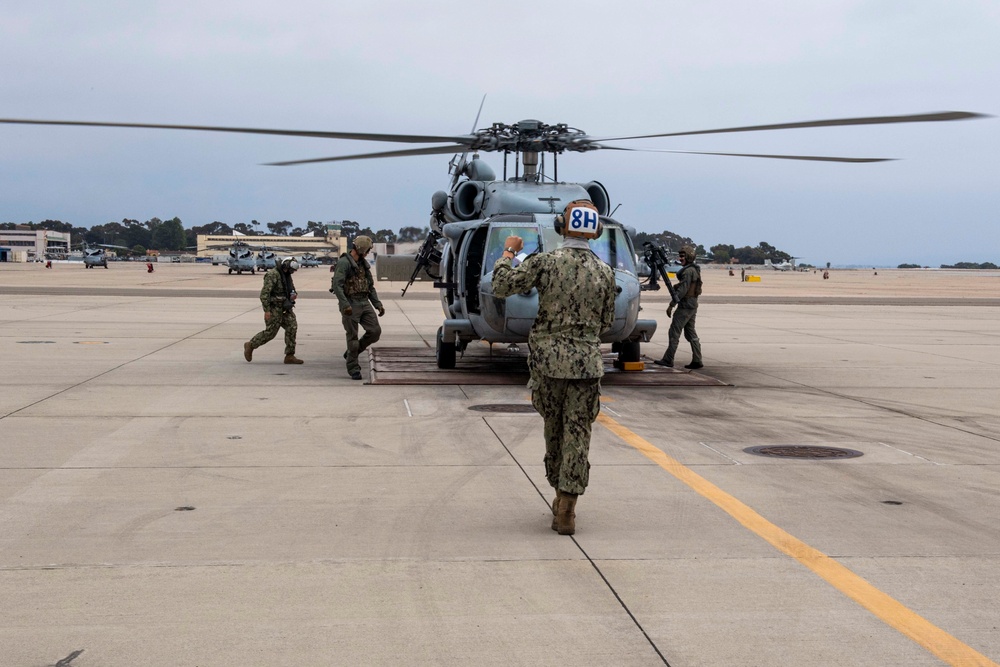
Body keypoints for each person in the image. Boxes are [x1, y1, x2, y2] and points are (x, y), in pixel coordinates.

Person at [492, 200, 616, 536]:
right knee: (578, 433)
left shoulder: (546, 262)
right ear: (596, 231)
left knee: (554, 429)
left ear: (562, 227)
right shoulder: (605, 273)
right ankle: (567, 506)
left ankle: (557, 491)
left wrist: (508, 252)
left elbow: (500, 285)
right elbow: (605, 322)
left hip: (548, 364)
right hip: (587, 365)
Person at [330, 235, 384, 380]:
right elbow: (337, 285)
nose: (367, 254)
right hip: (350, 303)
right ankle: (353, 367)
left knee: (375, 331)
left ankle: (351, 353)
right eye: (366, 251)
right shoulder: (344, 263)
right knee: (352, 338)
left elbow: (370, 287)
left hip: (364, 301)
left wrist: (377, 304)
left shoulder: (363, 264)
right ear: (360, 249)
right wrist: (345, 304)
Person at [243, 257, 303, 364]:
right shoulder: (273, 275)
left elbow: (291, 289)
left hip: (285, 307)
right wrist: (267, 310)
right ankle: (251, 345)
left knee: (292, 327)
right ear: (286, 266)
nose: (292, 272)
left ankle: (290, 355)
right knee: (270, 333)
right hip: (274, 308)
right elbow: (264, 294)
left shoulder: (287, 275)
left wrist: (293, 294)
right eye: (291, 270)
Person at [654, 245, 703, 370]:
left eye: (682, 256)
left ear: (688, 257)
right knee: (690, 333)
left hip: (685, 306)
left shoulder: (687, 272)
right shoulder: (694, 270)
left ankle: (668, 359)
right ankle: (697, 359)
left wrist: (672, 304)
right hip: (692, 305)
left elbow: (683, 291)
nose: (680, 258)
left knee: (674, 332)